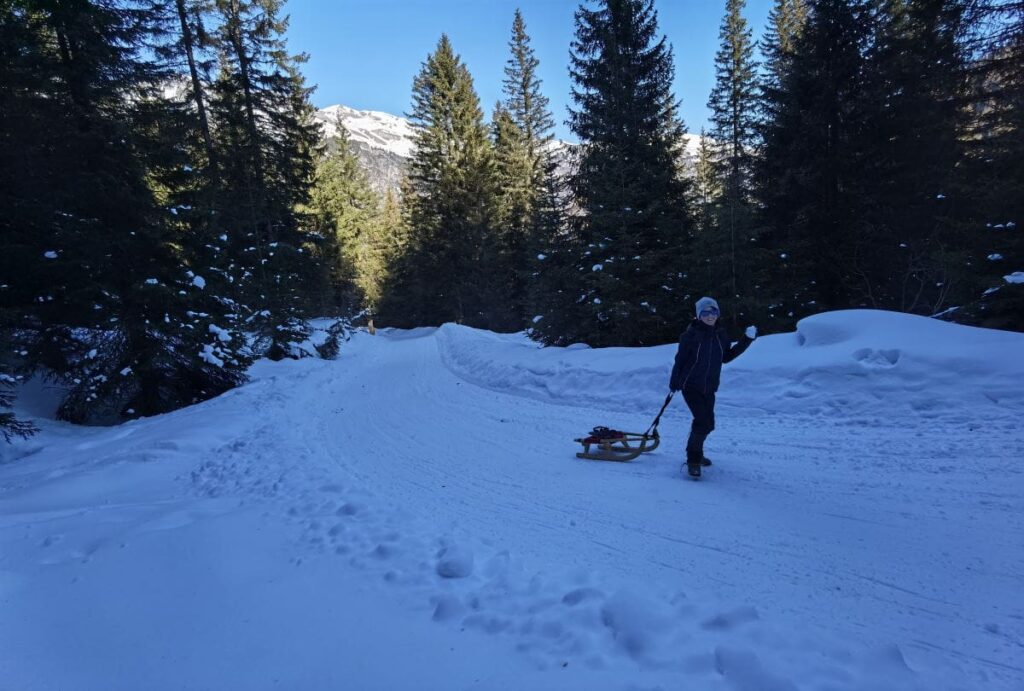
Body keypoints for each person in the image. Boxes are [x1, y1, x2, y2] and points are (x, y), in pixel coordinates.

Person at [668, 297, 756, 479]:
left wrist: (746, 340)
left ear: (718, 314)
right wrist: (674, 382)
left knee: (708, 423)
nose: (710, 316)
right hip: (690, 386)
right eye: (705, 312)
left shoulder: (720, 334)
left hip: (710, 387)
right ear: (699, 315)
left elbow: (726, 357)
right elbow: (680, 360)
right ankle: (693, 460)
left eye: (713, 312)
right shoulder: (690, 335)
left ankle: (695, 452)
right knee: (704, 422)